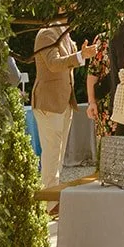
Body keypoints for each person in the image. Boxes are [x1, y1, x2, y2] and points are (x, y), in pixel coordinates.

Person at [32, 14, 99, 193]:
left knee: (58, 156)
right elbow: (53, 64)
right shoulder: (47, 33)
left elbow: (68, 63)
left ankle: (54, 198)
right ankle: (50, 200)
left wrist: (81, 55)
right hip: (49, 102)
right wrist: (80, 55)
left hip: (64, 102)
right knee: (52, 156)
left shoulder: (65, 33)